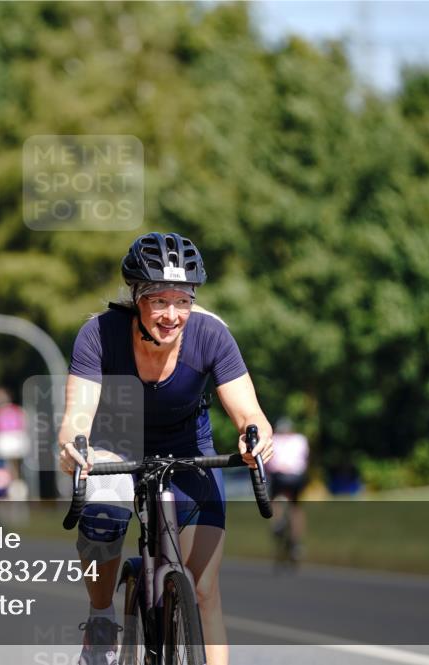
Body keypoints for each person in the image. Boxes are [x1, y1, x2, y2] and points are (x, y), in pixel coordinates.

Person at [58, 232, 274, 665]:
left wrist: (255, 438)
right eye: (159, 300)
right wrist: (72, 447)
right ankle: (101, 619)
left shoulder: (211, 336)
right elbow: (77, 419)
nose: (172, 315)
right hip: (117, 447)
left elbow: (251, 413)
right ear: (137, 298)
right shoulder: (99, 335)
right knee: (105, 510)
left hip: (188, 451)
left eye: (183, 301)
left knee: (205, 589)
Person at [266, 417, 309, 564]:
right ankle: (296, 541)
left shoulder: (274, 439)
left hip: (279, 477)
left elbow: (269, 463)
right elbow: (304, 459)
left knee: (273, 500)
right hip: (297, 478)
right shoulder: (300, 439)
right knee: (296, 507)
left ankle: (277, 522)